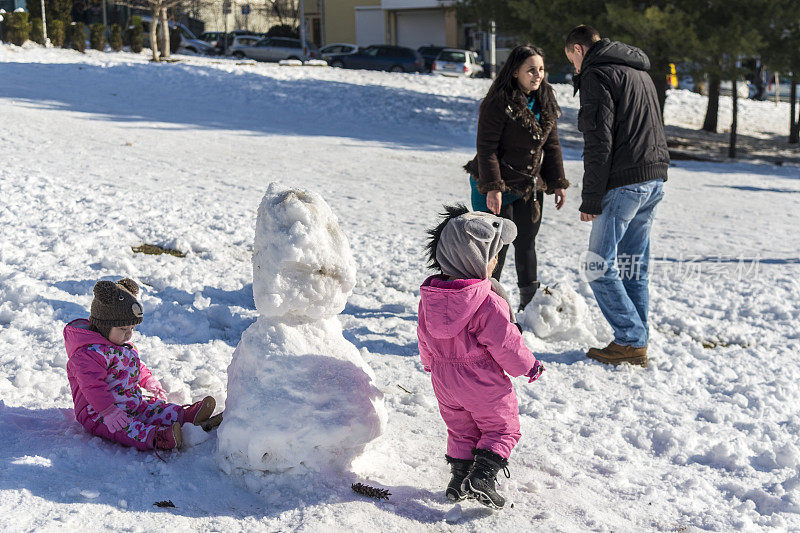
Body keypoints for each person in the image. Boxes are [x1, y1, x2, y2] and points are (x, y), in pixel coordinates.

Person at [417, 205, 544, 510]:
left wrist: (429, 364)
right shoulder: (485, 300)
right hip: (481, 379)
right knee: (502, 428)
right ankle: (483, 477)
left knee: (461, 429)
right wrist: (528, 366)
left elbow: (424, 336)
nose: (495, 263)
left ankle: (458, 479)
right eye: (493, 258)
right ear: (473, 259)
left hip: (443, 380)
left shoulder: (430, 296)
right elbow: (505, 342)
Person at [565, 25, 669, 367]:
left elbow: (599, 142)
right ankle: (635, 342)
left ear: (578, 49)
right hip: (653, 178)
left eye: (571, 60)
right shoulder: (637, 71)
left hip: (624, 183)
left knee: (598, 265)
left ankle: (629, 338)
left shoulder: (597, 75)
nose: (575, 70)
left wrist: (591, 198)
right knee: (631, 265)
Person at [464, 44, 570, 311]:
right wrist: (493, 188)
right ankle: (486, 305)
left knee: (526, 243)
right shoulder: (497, 103)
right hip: (494, 183)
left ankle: (529, 305)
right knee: (496, 248)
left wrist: (557, 182)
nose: (538, 75)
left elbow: (552, 146)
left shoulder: (545, 100)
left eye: (541, 70)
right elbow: (486, 148)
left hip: (528, 186)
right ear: (514, 72)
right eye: (531, 70)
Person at [63, 278, 217, 452]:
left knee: (153, 407)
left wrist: (148, 380)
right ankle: (156, 437)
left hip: (130, 402)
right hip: (99, 414)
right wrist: (108, 411)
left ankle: (185, 416)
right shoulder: (88, 354)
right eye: (123, 329)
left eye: (131, 329)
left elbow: (135, 366)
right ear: (104, 326)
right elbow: (92, 387)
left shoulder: (121, 346)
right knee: (127, 427)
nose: (128, 335)